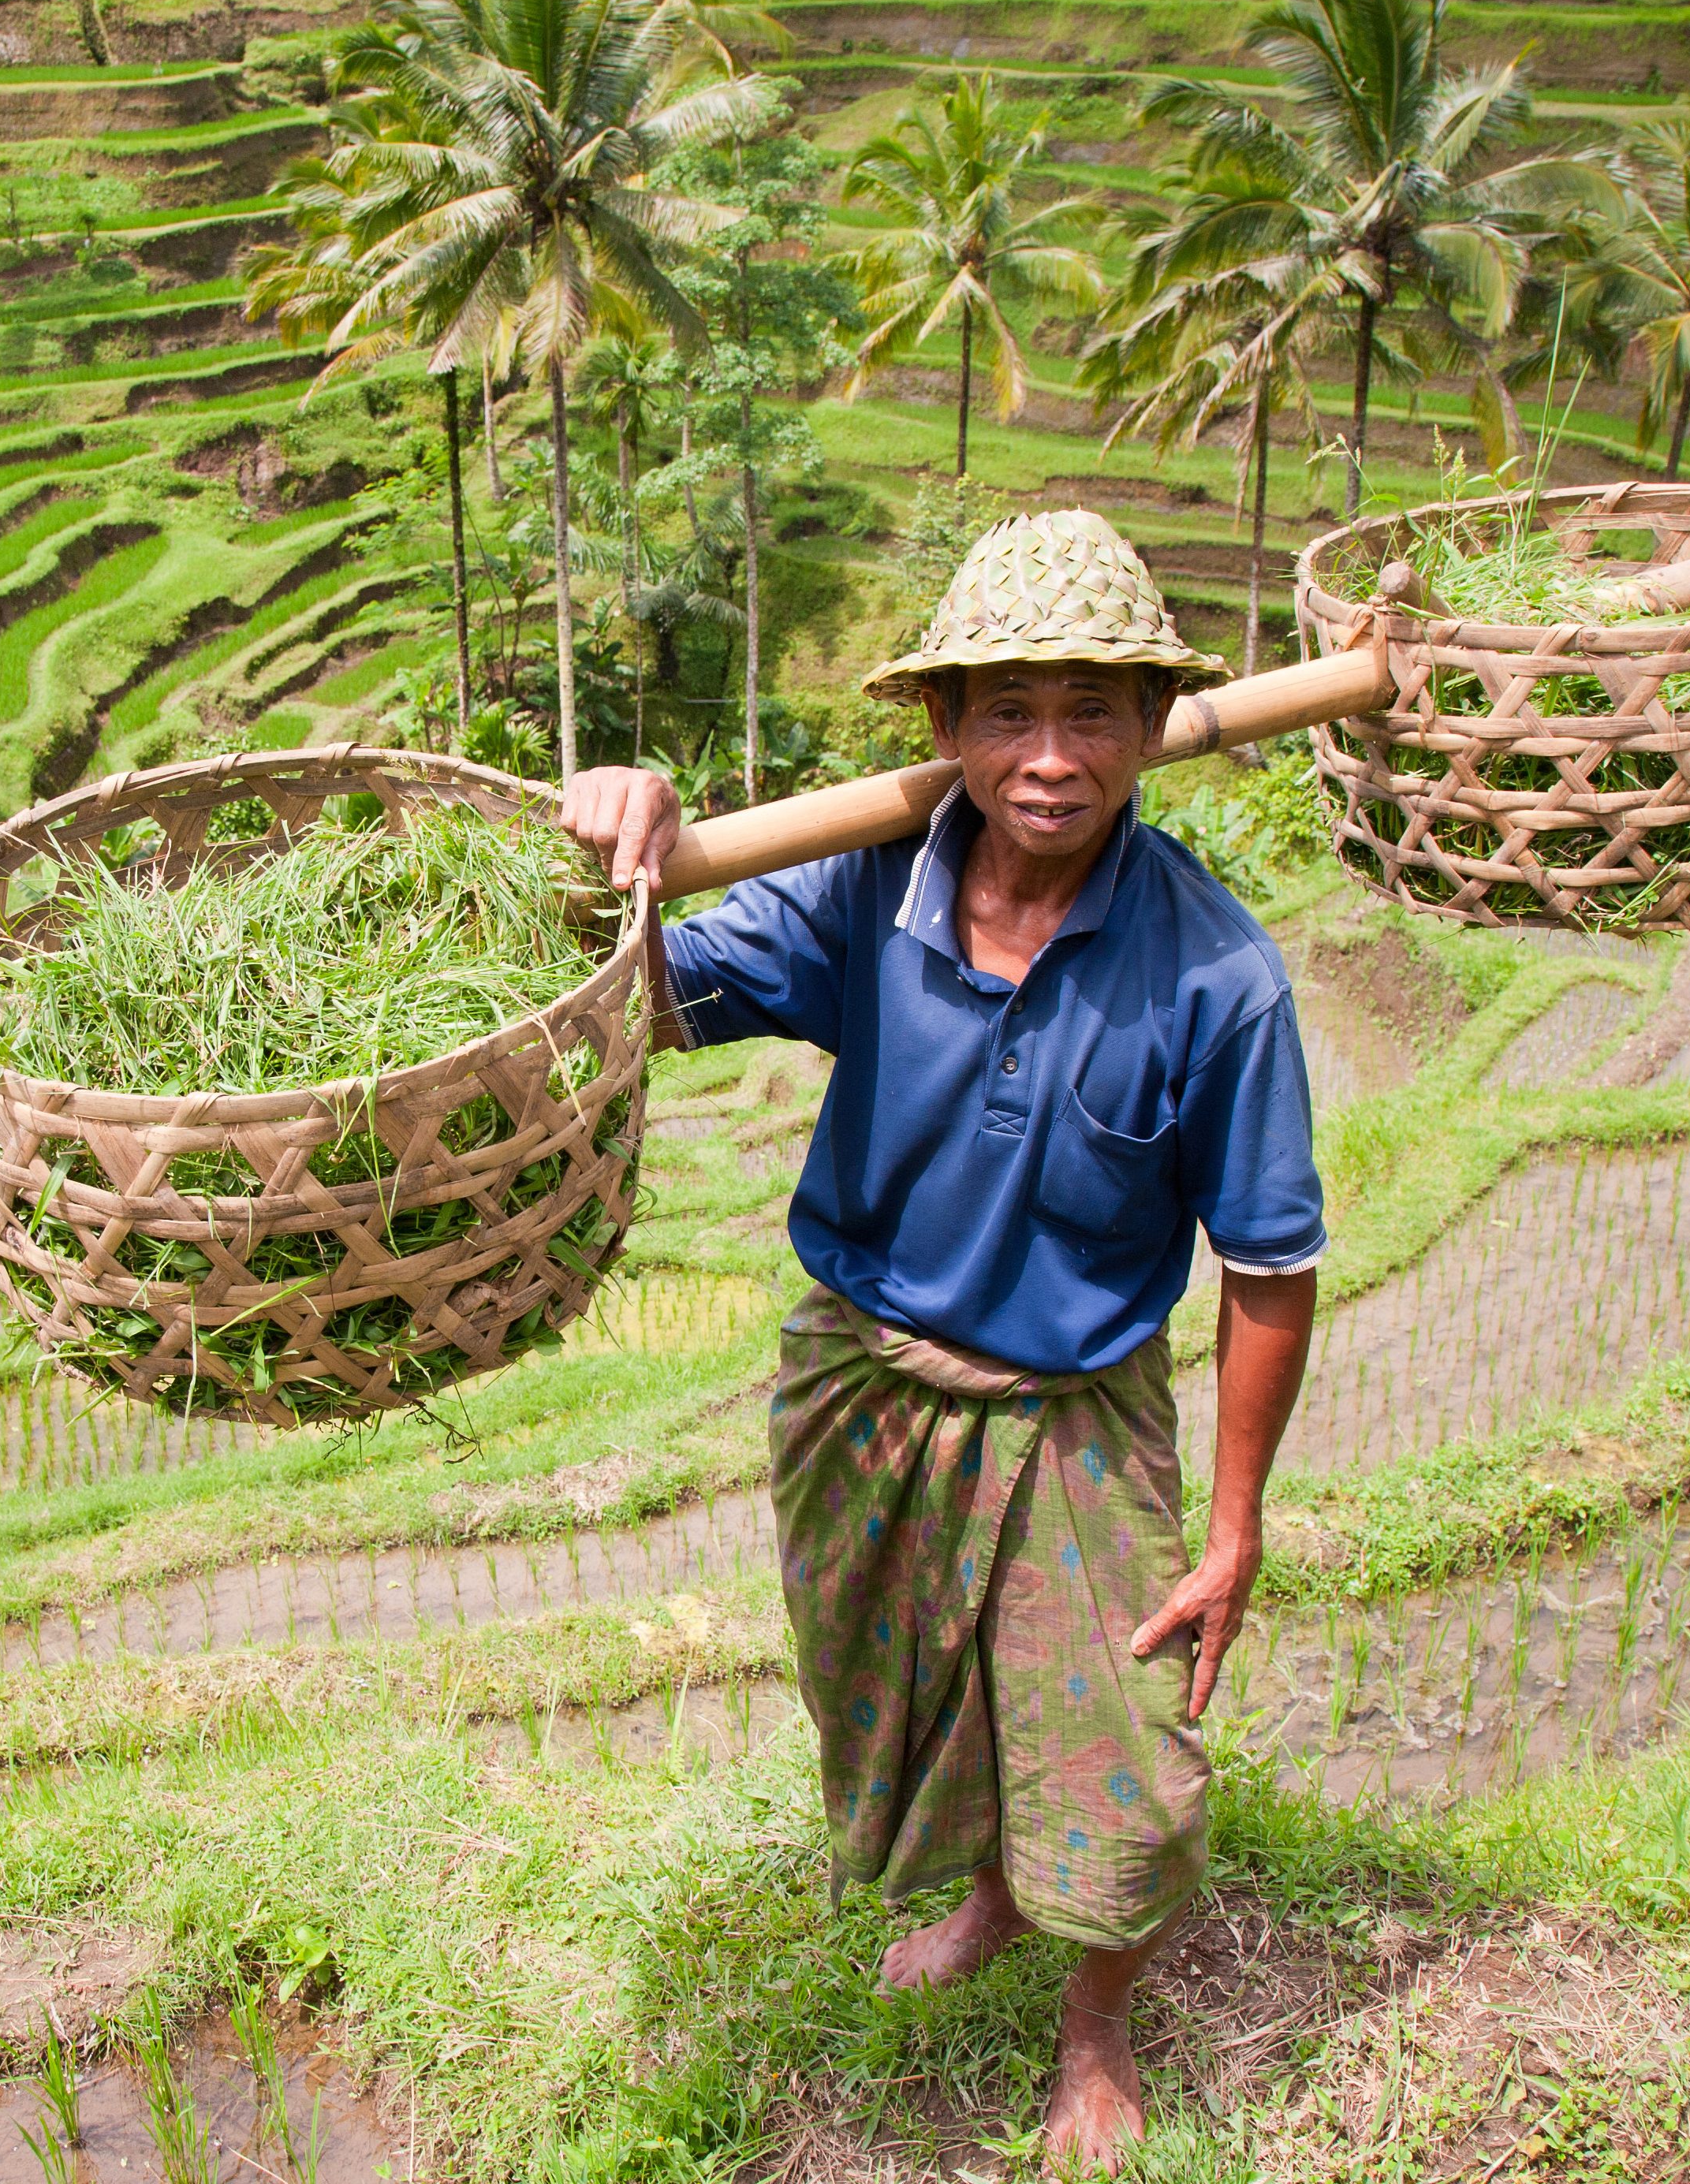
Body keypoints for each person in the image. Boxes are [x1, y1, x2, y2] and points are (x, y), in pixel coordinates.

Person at [559, 509, 1323, 2174]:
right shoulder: (861, 891)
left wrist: (1239, 1524)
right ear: (945, 728)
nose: (1050, 759)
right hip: (867, 1376)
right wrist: (604, 847)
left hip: (1072, 1398)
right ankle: (988, 1890)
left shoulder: (1217, 978)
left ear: (1147, 728)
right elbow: (647, 996)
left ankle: (1098, 2019)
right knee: (908, 1679)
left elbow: (1267, 1267)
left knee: (1122, 1739)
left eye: (1093, 712)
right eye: (1007, 713)